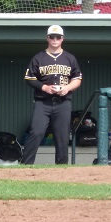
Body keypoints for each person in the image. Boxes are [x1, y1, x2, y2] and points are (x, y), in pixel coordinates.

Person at [21, 25, 83, 165]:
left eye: (58, 37)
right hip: (43, 102)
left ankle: (61, 169)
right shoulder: (39, 57)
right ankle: (25, 165)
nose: (55, 39)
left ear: (62, 39)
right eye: (52, 37)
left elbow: (77, 79)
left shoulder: (69, 58)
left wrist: (67, 88)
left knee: (62, 137)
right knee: (36, 132)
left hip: (63, 102)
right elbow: (29, 78)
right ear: (47, 38)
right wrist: (44, 87)